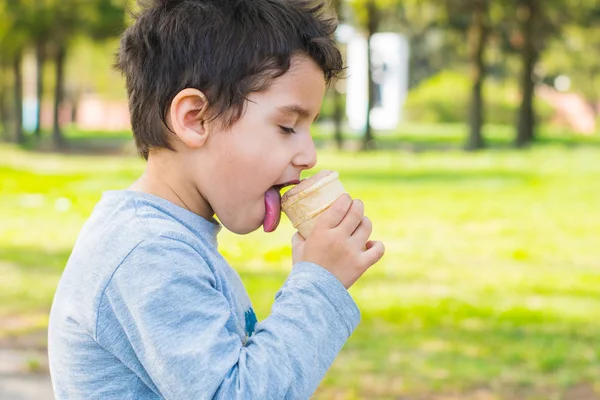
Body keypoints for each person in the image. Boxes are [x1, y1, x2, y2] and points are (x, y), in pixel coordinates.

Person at [48, 0, 385, 398]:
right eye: (286, 126)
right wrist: (320, 285)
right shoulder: (148, 253)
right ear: (195, 119)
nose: (309, 156)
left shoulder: (169, 242)